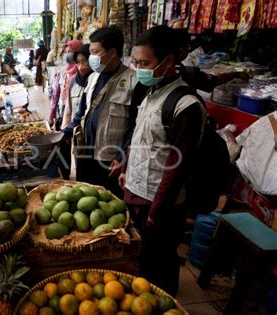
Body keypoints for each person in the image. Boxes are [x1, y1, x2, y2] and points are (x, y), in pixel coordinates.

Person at [119, 26, 206, 296]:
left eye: (145, 63)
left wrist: (158, 208)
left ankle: (165, 302)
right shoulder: (152, 92)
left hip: (161, 203)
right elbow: (141, 135)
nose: (139, 69)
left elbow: (177, 166)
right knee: (142, 257)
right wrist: (126, 168)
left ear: (168, 61)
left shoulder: (186, 106)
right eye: (135, 63)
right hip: (137, 191)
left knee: (161, 263)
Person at [63, 26, 137, 197]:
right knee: (85, 197)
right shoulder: (93, 77)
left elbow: (135, 125)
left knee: (107, 201)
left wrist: (121, 157)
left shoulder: (133, 81)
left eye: (95, 52)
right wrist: (65, 131)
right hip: (86, 151)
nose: (91, 58)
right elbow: (82, 111)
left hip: (109, 157)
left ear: (112, 52)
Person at [50, 42, 93, 179]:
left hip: (93, 138)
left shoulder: (97, 82)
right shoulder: (73, 81)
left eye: (85, 61)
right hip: (77, 134)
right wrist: (65, 130)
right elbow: (69, 109)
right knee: (81, 170)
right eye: (78, 62)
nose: (81, 67)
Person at [176, 29, 249, 92]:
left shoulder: (181, 69)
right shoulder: (184, 72)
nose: (189, 50)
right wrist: (235, 74)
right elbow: (211, 82)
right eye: (188, 47)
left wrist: (235, 74)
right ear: (181, 49)